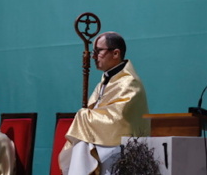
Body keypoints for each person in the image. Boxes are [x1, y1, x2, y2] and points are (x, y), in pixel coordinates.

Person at [58, 32, 149, 175]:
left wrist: (84, 117)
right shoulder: (107, 79)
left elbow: (118, 119)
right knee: (82, 143)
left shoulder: (129, 83)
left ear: (115, 53)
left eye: (98, 51)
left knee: (83, 144)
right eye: (93, 52)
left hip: (120, 147)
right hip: (103, 142)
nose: (94, 56)